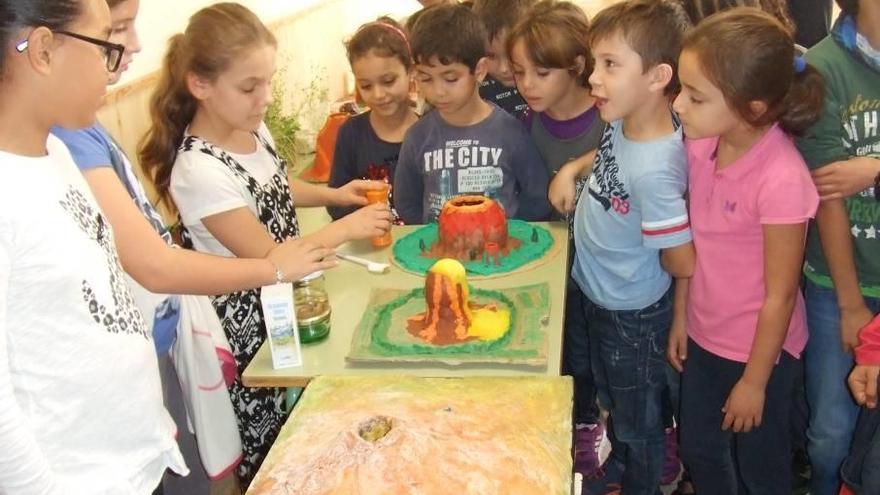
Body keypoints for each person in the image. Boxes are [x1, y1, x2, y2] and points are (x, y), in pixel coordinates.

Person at [138, 3, 392, 485]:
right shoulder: (198, 171)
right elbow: (271, 257)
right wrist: (345, 226)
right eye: (250, 87)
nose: (265, 98)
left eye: (269, 81)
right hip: (249, 330)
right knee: (274, 454)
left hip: (284, 300)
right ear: (200, 85)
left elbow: (274, 185)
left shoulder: (250, 129)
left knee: (307, 427)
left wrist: (333, 193)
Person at [0, 0, 190, 492]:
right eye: (106, 43)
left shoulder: (56, 152)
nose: (123, 55)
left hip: (132, 460)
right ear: (43, 50)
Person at [672, 8, 824, 494]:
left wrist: (755, 382)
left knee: (761, 464)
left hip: (761, 354)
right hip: (704, 336)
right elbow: (692, 247)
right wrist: (681, 318)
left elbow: (780, 296)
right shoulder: (702, 143)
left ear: (753, 108)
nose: (678, 105)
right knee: (699, 447)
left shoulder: (781, 178)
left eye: (695, 97)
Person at [565, 1, 694, 493]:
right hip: (599, 290)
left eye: (610, 65)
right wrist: (572, 169)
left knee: (636, 417)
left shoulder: (657, 169)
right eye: (595, 63)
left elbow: (681, 259)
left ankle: (643, 480)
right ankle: (623, 461)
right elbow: (606, 156)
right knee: (616, 396)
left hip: (631, 313)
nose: (593, 78)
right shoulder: (624, 120)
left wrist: (678, 317)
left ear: (659, 76)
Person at [505, 0, 607, 479]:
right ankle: (580, 424)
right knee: (569, 355)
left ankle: (617, 425)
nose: (527, 85)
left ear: (577, 67)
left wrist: (572, 166)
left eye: (541, 73)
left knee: (603, 356)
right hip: (555, 267)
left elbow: (633, 136)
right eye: (521, 72)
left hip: (609, 268)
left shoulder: (607, 113)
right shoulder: (528, 121)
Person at [795, 0, 880, 493]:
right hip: (839, 286)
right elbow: (828, 195)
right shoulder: (824, 68)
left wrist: (874, 169)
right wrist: (850, 305)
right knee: (830, 434)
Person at [393, 3, 552, 224]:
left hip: (500, 252)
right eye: (426, 78)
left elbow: (538, 197)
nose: (438, 91)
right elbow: (406, 203)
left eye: (450, 79)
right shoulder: (417, 136)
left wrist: (507, 229)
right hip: (441, 253)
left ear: (479, 71)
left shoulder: (510, 132)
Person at [327, 17, 419, 221]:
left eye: (388, 81)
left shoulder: (429, 132)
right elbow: (335, 203)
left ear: (411, 71)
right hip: (366, 247)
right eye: (366, 86)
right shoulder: (351, 133)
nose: (378, 94)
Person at [472, 0, 535, 120]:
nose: (504, 68)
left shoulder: (547, 84)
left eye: (511, 54)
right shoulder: (474, 91)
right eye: (490, 56)